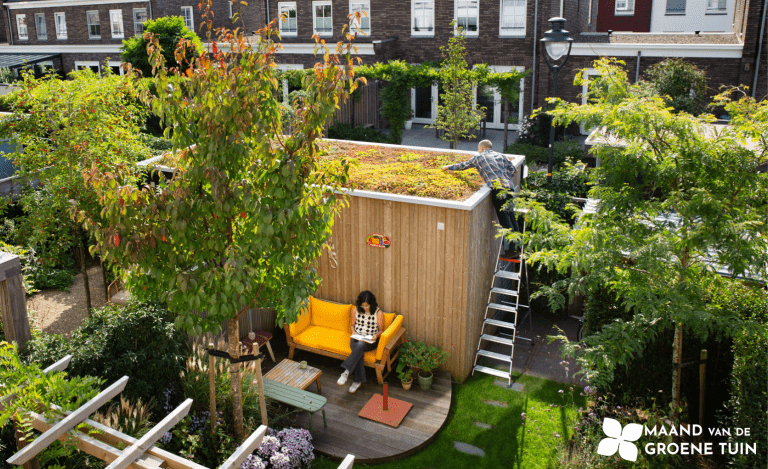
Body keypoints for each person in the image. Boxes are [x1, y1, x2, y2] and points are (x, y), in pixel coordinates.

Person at [442, 140, 520, 254]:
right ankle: (518, 247)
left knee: (504, 219)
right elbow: (513, 170)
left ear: (482, 148)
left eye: (478, 148)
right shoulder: (502, 156)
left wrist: (447, 167)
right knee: (511, 216)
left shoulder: (478, 158)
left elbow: (463, 166)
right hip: (509, 188)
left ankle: (513, 251)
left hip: (498, 189)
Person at [337, 290, 384, 393]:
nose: (365, 308)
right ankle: (357, 381)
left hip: (370, 340)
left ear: (372, 303)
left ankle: (346, 372)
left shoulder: (378, 313)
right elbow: (352, 325)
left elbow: (381, 330)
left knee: (360, 345)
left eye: (367, 306)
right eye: (363, 306)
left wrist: (376, 335)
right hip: (356, 337)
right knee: (358, 348)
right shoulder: (355, 310)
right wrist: (353, 332)